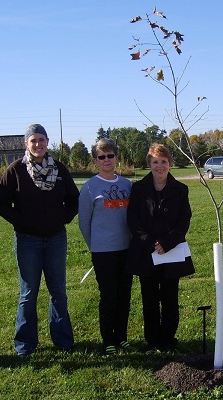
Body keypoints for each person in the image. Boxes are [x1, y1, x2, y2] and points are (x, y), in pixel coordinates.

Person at [0, 123, 79, 356]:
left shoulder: (59, 169)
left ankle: (63, 341)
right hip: (27, 240)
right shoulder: (15, 170)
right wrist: (21, 222)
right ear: (26, 143)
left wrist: (62, 218)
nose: (38, 144)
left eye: (41, 140)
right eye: (33, 140)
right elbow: (1, 203)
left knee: (58, 292)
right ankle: (25, 344)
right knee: (28, 292)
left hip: (55, 239)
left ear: (47, 142)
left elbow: (74, 199)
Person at [126, 143, 195, 353]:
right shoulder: (138, 188)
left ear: (170, 164)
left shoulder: (181, 190)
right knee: (149, 299)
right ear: (149, 163)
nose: (159, 166)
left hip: (171, 252)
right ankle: (153, 340)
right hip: (146, 253)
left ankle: (167, 339)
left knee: (170, 298)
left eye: (163, 162)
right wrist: (149, 243)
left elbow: (184, 220)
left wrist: (167, 242)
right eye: (155, 162)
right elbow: (132, 220)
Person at [78, 138, 134, 356]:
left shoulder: (127, 185)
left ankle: (122, 337)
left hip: (126, 250)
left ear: (116, 158)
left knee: (124, 296)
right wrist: (95, 246)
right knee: (108, 296)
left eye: (110, 155)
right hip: (103, 252)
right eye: (102, 157)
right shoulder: (90, 188)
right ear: (96, 161)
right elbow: (84, 222)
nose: (106, 160)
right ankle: (108, 339)